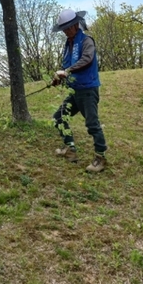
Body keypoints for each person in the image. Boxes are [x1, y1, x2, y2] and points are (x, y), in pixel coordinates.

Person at [51, 9, 107, 172]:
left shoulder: (86, 41)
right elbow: (65, 65)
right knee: (59, 117)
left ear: (76, 25)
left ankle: (101, 158)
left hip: (88, 90)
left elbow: (87, 59)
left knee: (92, 124)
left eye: (69, 27)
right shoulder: (68, 44)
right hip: (74, 91)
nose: (67, 31)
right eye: (64, 29)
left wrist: (67, 71)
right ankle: (70, 149)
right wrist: (58, 77)